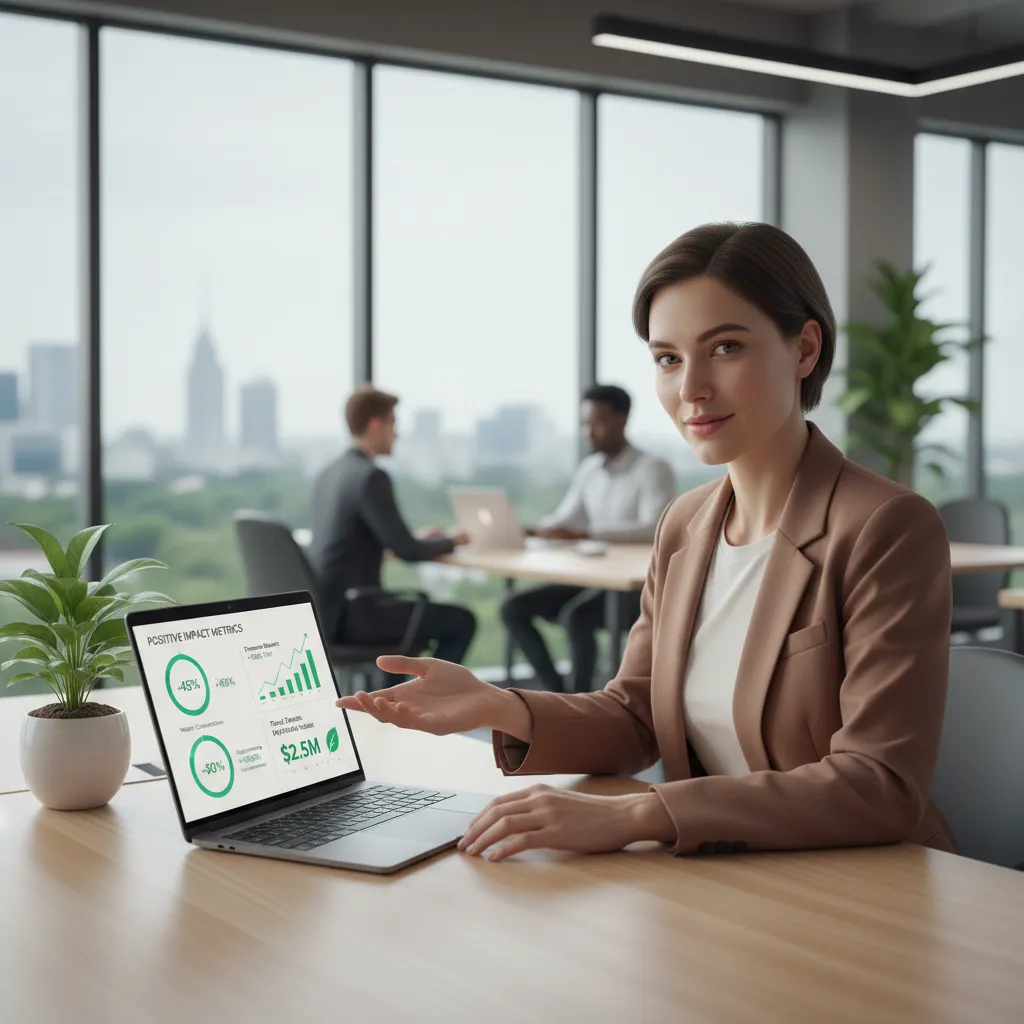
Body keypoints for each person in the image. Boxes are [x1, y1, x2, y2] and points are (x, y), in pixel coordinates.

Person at [337, 222, 956, 863]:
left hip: (864, 881)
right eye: (668, 359)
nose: (690, 389)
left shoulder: (885, 527)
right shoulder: (684, 525)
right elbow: (637, 717)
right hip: (728, 875)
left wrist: (642, 813)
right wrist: (499, 706)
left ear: (804, 348)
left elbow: (879, 784)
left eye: (725, 348)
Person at [500, 384, 676, 693]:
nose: (589, 432)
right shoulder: (590, 470)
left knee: (577, 617)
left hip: (633, 587)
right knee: (512, 608)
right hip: (591, 579)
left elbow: (654, 528)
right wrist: (533, 530)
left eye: (598, 423)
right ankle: (558, 693)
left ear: (622, 420)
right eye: (585, 424)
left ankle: (582, 703)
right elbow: (566, 518)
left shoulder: (652, 469)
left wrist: (587, 534)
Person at [309, 385, 476, 670]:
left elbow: (364, 538)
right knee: (463, 622)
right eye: (393, 423)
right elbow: (407, 551)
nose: (396, 434)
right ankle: (428, 695)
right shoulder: (370, 477)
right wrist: (454, 540)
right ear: (376, 425)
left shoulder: (330, 473)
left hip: (326, 615)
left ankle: (402, 693)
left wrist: (415, 539)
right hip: (358, 616)